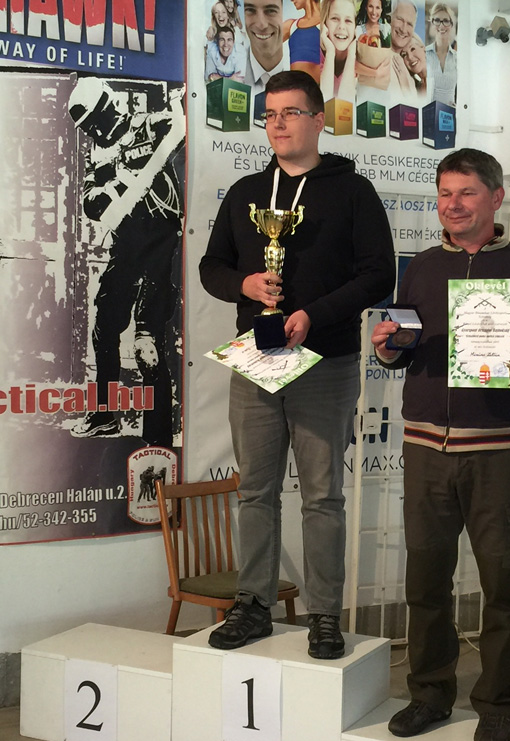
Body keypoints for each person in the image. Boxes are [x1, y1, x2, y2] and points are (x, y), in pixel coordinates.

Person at [371, 148, 510, 741]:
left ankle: (498, 706)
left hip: (498, 454)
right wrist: (387, 348)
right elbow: (404, 348)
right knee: (425, 583)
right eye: (445, 193)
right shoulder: (421, 268)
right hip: (425, 448)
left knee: (502, 585)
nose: (452, 205)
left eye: (466, 193)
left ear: (496, 198)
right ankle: (430, 695)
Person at [200, 70, 395, 659]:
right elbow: (212, 268)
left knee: (322, 496)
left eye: (290, 112)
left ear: (317, 120)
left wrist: (314, 314)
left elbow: (378, 275)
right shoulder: (246, 192)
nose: (278, 124)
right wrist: (245, 284)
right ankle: (253, 605)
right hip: (256, 359)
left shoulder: (352, 192)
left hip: (325, 361)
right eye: (270, 114)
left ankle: (325, 615)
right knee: (255, 491)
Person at [67, 77, 183, 448]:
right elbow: (92, 203)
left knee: (148, 345)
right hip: (126, 248)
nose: (94, 132)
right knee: (104, 328)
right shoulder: (98, 154)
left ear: (108, 107)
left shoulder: (148, 126)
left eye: (94, 122)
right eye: (88, 128)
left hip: (162, 248)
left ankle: (158, 437)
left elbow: (180, 130)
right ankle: (103, 415)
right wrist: (120, 180)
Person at [243, 0, 290, 93]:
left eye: (271, 11)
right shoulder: (227, 76)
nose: (261, 25)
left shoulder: (307, 72)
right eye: (250, 10)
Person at [320, 0, 358, 102]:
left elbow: (345, 105)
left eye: (348, 20)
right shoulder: (315, 55)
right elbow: (324, 102)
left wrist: (351, 55)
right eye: (335, 19)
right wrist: (330, 53)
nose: (341, 26)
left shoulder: (362, 59)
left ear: (355, 27)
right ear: (324, 23)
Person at [425, 2, 457, 104]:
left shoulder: (457, 58)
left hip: (450, 113)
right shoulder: (424, 54)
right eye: (437, 21)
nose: (442, 26)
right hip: (428, 111)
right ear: (432, 23)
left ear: (451, 24)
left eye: (446, 21)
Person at [284, 0, 322, 83]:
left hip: (319, 87)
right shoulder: (291, 25)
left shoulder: (328, 23)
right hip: (295, 86)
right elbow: (264, 44)